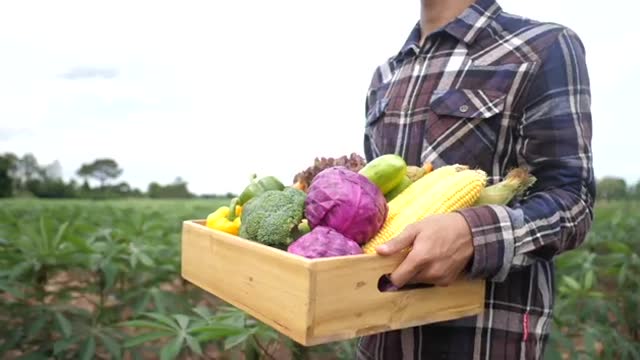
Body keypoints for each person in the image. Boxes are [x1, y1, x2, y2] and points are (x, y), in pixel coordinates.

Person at [358, 0, 595, 358]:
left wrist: (474, 234)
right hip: (378, 341)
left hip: (480, 343)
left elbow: (573, 202)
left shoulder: (542, 48)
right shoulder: (387, 75)